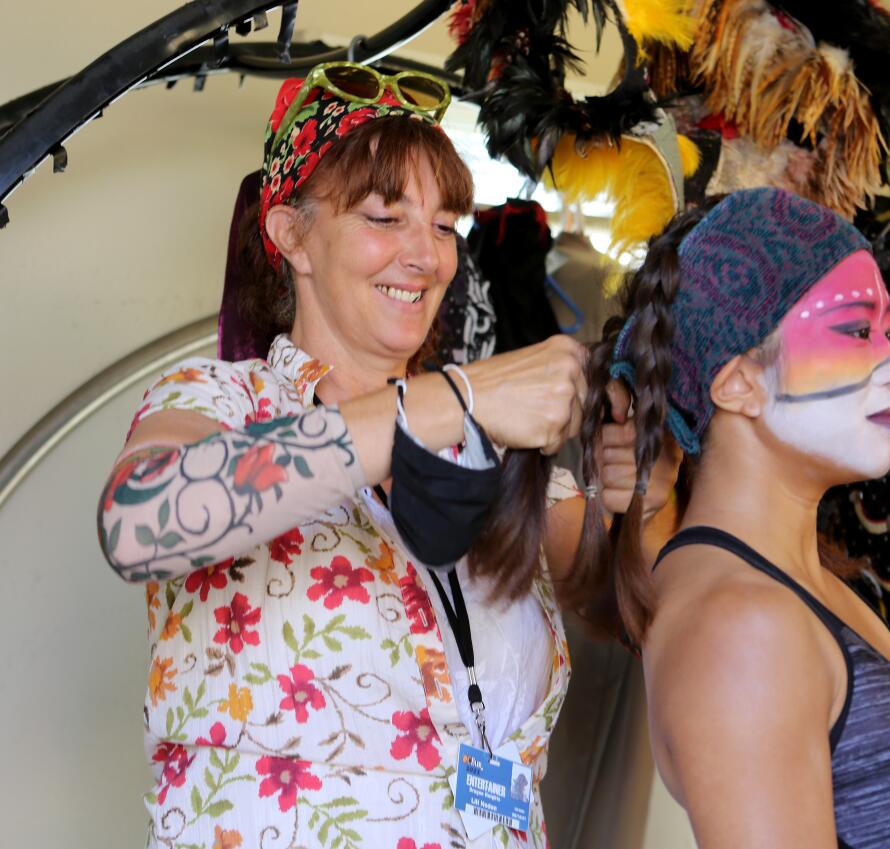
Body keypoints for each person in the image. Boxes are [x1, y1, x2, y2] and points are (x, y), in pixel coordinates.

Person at [96, 63, 673, 849]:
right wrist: (456, 398)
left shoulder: (491, 443)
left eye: (442, 224)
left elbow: (635, 606)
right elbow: (140, 522)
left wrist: (646, 487)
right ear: (290, 234)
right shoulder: (225, 403)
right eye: (385, 215)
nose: (427, 256)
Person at [572, 188, 890, 848]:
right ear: (736, 382)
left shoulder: (796, 581)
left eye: (885, 330)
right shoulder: (741, 630)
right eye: (856, 330)